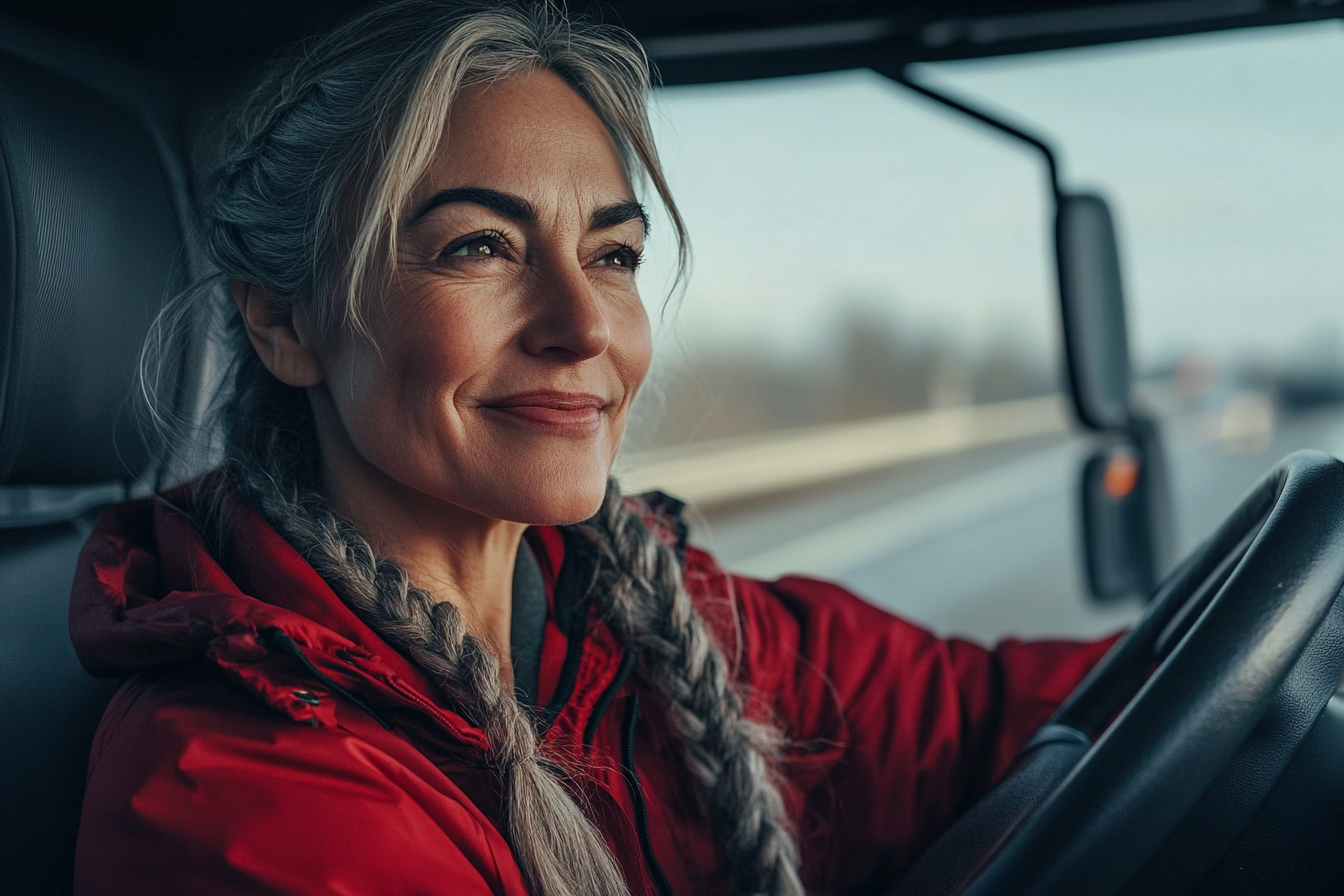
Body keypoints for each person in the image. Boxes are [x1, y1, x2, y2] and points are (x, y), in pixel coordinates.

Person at [69, 3, 1116, 894]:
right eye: (480, 246)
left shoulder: (651, 622)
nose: (583, 324)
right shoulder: (238, 793)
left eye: (612, 254)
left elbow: (995, 715)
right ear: (285, 325)